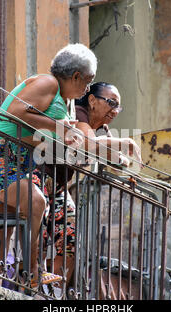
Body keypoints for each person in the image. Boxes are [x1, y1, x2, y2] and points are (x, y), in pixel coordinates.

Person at [0, 43, 97, 287]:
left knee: (4, 228)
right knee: (35, 202)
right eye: (88, 81)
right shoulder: (48, 83)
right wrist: (58, 126)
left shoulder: (61, 100)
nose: (86, 89)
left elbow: (42, 131)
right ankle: (33, 272)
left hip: (17, 160)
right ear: (75, 76)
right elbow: (14, 112)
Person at [38, 82, 142, 287]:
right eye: (111, 103)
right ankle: (32, 275)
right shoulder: (78, 114)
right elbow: (86, 143)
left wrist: (117, 157)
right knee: (38, 228)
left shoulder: (98, 128)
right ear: (93, 100)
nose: (115, 111)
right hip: (38, 178)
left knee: (72, 235)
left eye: (118, 107)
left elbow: (97, 149)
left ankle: (53, 290)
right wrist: (125, 143)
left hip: (57, 187)